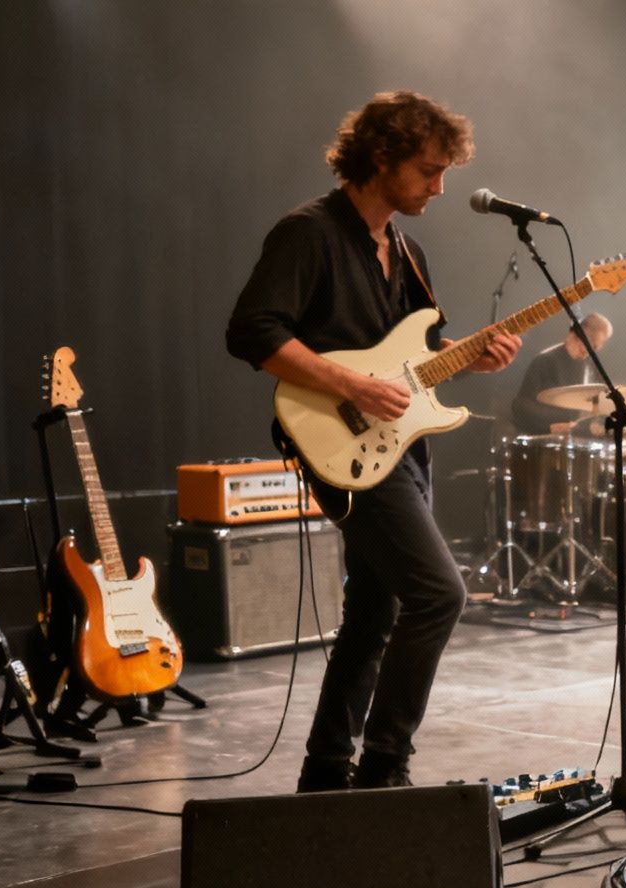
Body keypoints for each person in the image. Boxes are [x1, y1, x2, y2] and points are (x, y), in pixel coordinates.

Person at [226, 91, 521, 792]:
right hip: (337, 439)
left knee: (376, 609)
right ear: (381, 157)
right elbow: (252, 332)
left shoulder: (407, 250)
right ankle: (385, 765)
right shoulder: (308, 232)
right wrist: (350, 385)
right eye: (428, 170)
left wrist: (467, 354)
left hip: (401, 446)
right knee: (438, 595)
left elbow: (416, 351)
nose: (440, 187)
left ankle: (327, 771)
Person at [511, 312, 613, 435]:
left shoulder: (591, 367)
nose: (590, 351)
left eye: (596, 348)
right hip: (544, 436)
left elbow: (601, 405)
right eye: (591, 345)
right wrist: (549, 428)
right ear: (575, 335)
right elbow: (520, 408)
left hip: (577, 436)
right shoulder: (545, 361)